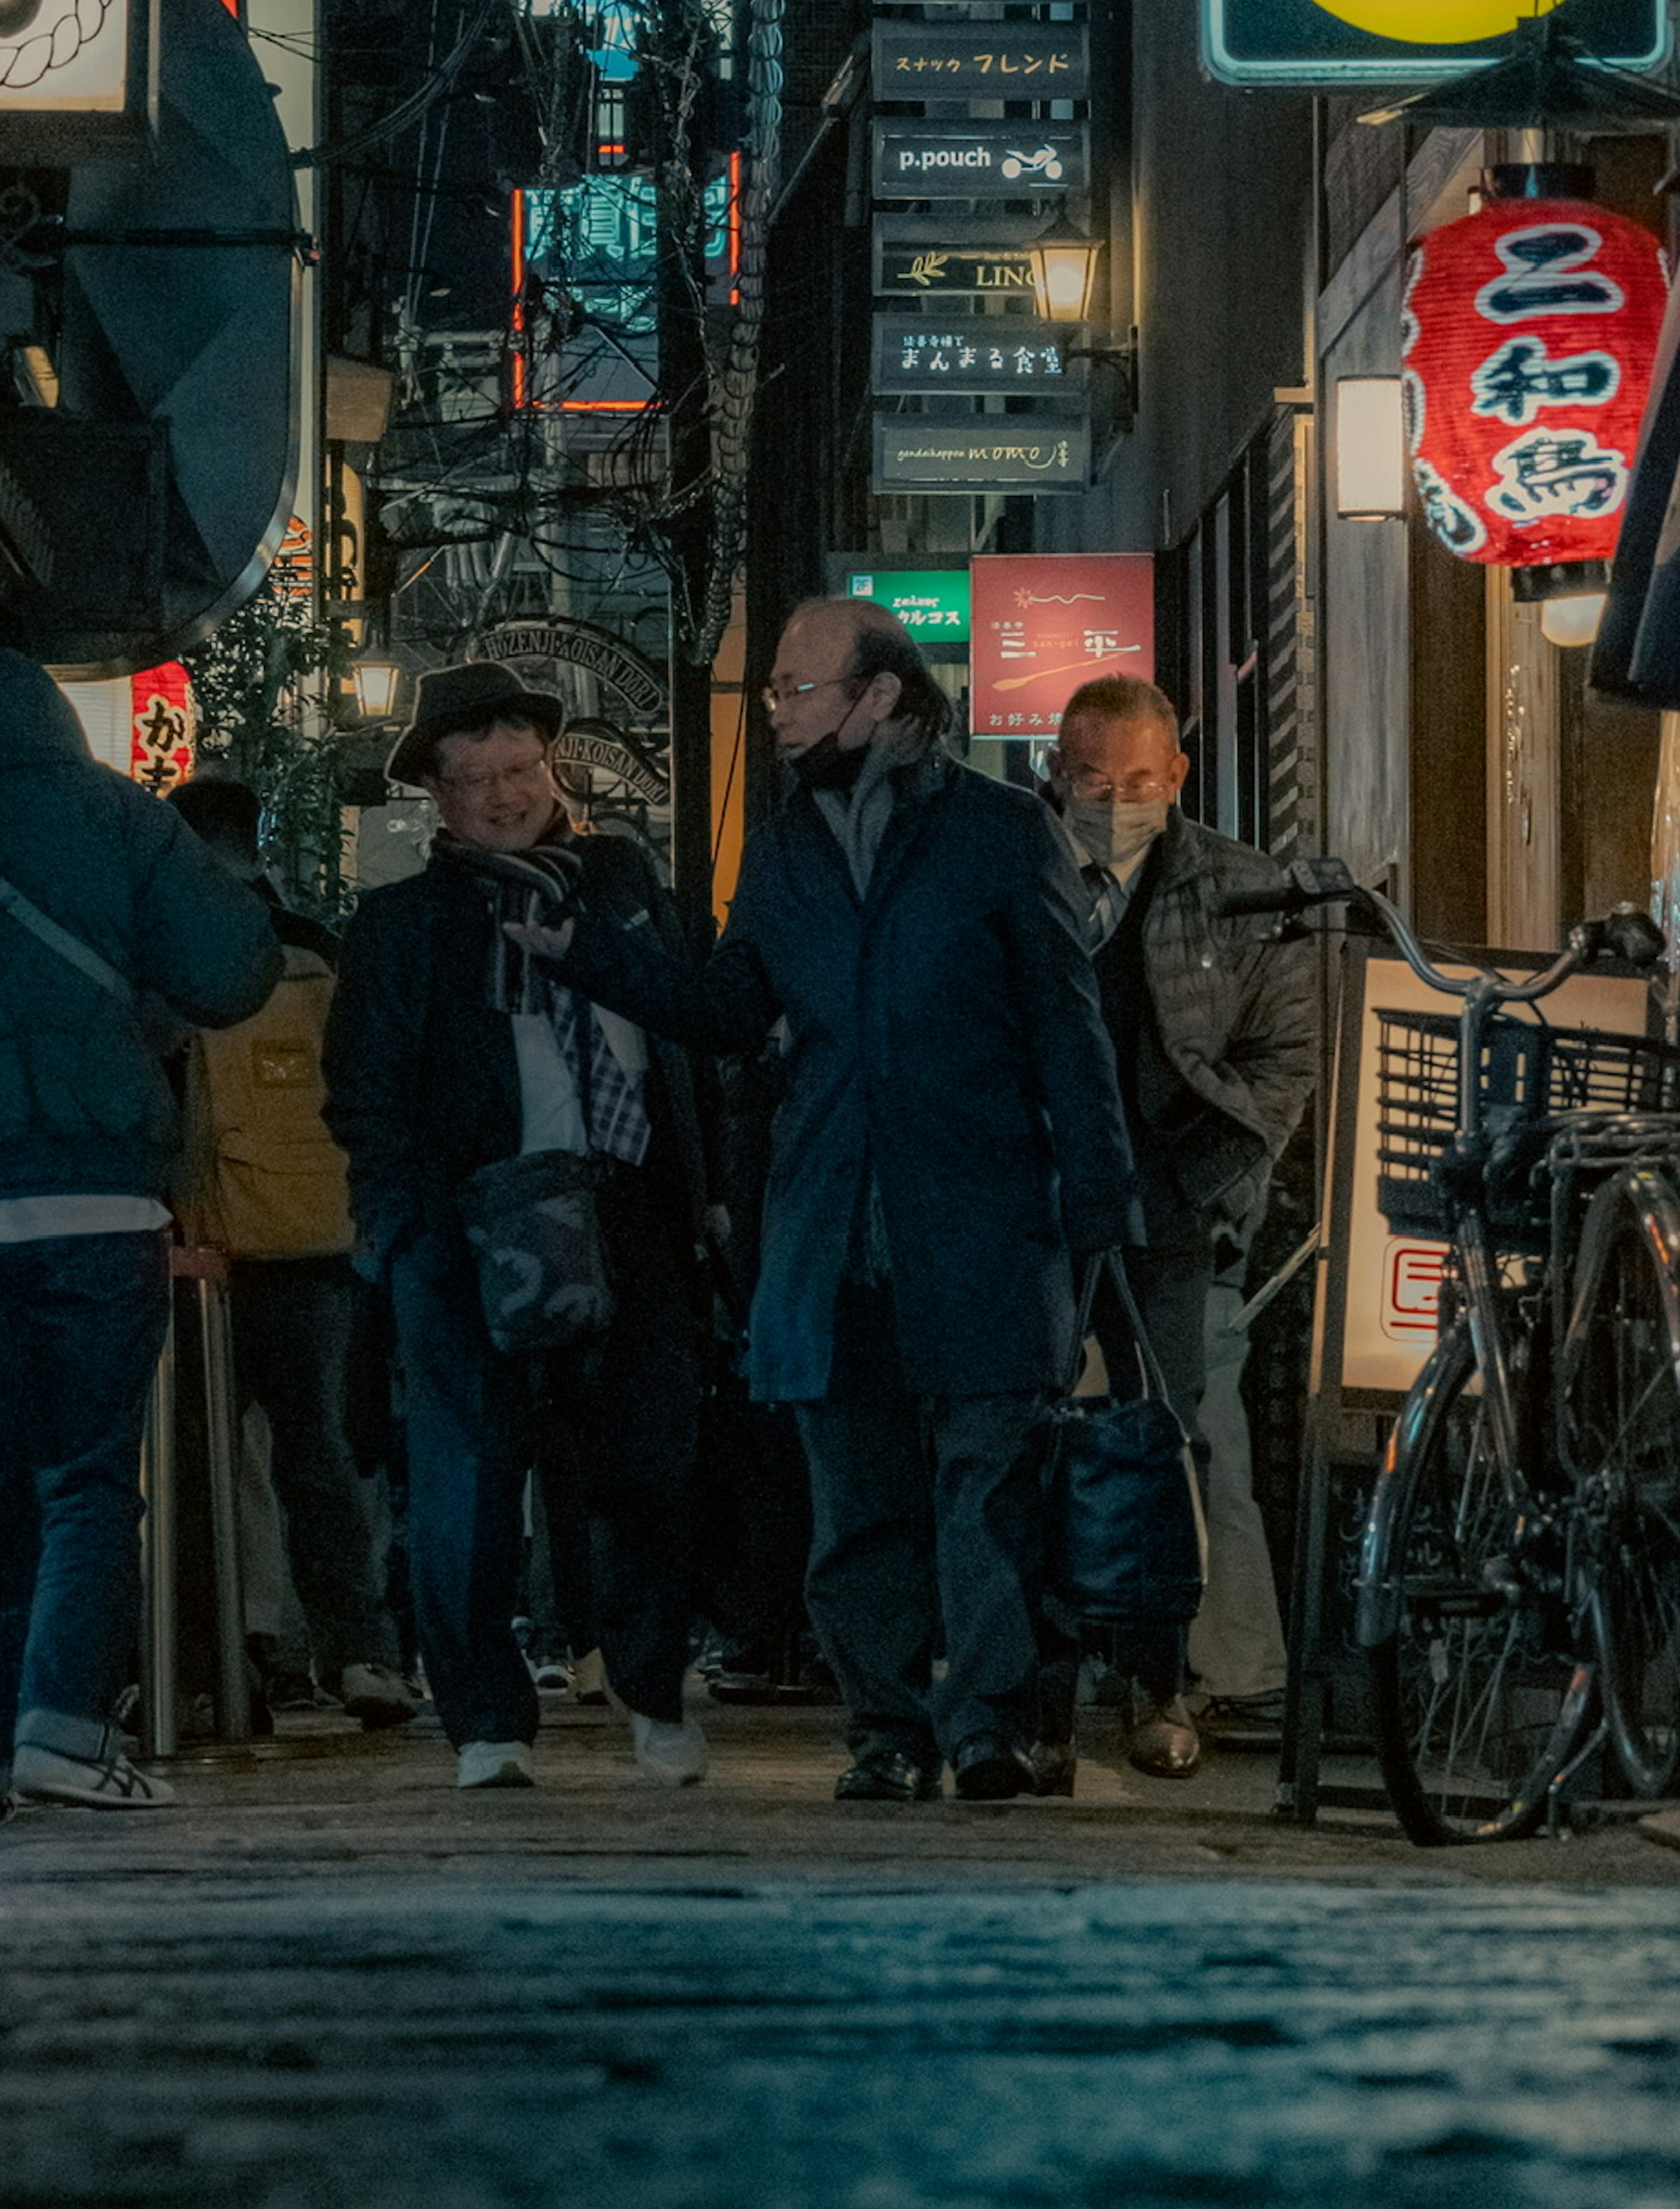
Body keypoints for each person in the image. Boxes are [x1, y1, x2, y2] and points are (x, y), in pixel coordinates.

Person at [525, 598, 1136, 1806]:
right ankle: (888, 1730)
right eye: (778, 692)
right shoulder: (789, 842)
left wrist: (1101, 1216)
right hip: (827, 1221)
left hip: (984, 1218)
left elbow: (1073, 1033)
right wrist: (590, 953)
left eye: (800, 688)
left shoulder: (1002, 832)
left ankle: (987, 1729)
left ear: (883, 699)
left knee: (989, 1486)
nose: (782, 710)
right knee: (857, 1501)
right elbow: (731, 1007)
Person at [0, 600, 281, 1828]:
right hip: (98, 1202)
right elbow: (232, 971)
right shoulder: (114, 812)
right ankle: (65, 1731)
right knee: (86, 1483)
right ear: (35, 685)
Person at [322, 661, 712, 1793]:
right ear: (436, 798)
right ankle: (485, 1719)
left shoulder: (625, 886)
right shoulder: (401, 926)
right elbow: (366, 1097)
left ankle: (649, 1686)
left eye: (523, 769)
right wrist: (401, 1234)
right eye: (476, 777)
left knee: (651, 1464)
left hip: (628, 1201)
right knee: (468, 1479)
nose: (505, 795)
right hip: (468, 1221)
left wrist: (710, 1194)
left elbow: (689, 1034)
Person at [1042, 675, 1328, 1774]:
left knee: (1169, 1441)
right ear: (1057, 776)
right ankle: (1043, 1686)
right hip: (1043, 1201)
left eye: (1141, 782)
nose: (1117, 801)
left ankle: (1165, 1684)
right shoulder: (1018, 876)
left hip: (1172, 1205)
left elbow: (1284, 1060)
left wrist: (1212, 1176)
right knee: (1033, 1439)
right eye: (1095, 781)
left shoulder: (1241, 891)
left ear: (1179, 776)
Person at [167, 772, 419, 1732]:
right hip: (321, 1242)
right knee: (325, 1463)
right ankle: (363, 1657)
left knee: (202, 1472)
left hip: (203, 1255)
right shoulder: (319, 951)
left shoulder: (174, 955)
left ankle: (218, 1668)